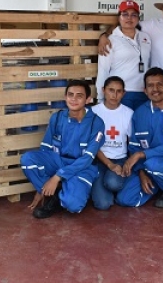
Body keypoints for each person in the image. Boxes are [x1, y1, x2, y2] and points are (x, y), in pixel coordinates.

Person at [21, 80, 105, 219]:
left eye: (79, 96)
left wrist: (57, 177)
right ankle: (51, 195)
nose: (74, 99)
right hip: (58, 161)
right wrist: (40, 187)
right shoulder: (57, 117)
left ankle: (62, 193)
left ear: (88, 99)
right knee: (27, 159)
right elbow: (46, 148)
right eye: (70, 95)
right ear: (65, 97)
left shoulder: (96, 123)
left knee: (73, 205)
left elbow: (87, 159)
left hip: (82, 167)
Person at [116, 67, 163, 208]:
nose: (155, 89)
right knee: (125, 199)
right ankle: (156, 185)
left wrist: (141, 155)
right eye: (150, 85)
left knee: (153, 164)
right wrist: (142, 172)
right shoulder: (139, 113)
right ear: (145, 90)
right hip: (147, 166)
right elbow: (134, 147)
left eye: (159, 84)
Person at [96, 0, 152, 110]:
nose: (129, 18)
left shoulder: (145, 37)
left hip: (143, 92)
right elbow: (103, 70)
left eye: (133, 15)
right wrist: (100, 98)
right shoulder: (109, 40)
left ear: (138, 18)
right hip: (120, 93)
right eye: (125, 14)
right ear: (119, 17)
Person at [91, 76, 134, 210]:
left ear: (123, 93)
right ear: (103, 90)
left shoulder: (128, 113)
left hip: (119, 159)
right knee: (102, 205)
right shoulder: (93, 112)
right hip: (99, 160)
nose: (114, 95)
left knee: (113, 183)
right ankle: (107, 187)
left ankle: (117, 183)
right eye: (111, 90)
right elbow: (92, 144)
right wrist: (110, 165)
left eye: (119, 91)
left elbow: (131, 142)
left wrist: (127, 164)